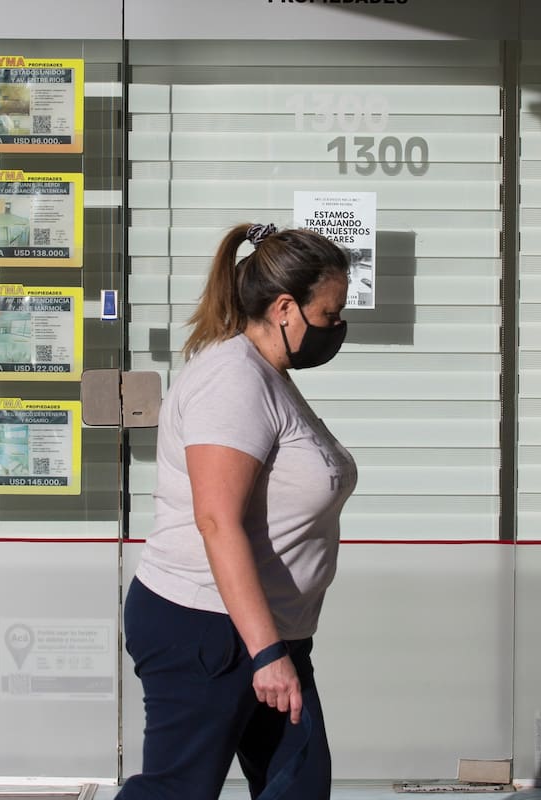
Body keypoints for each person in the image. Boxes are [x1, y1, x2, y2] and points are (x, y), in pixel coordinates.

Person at [118, 223, 358, 800]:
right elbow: (216, 521)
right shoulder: (233, 382)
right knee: (178, 790)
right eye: (328, 315)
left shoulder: (269, 376)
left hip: (262, 629)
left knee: (296, 785)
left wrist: (277, 643)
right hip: (206, 628)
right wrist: (267, 652)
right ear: (284, 308)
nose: (338, 328)